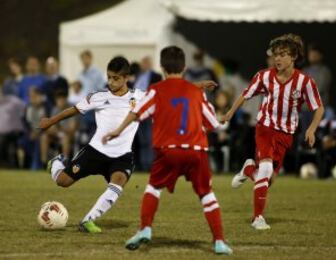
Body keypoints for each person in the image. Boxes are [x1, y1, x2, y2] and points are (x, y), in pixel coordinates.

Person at [102, 46, 232, 255]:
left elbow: (137, 112)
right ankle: (219, 242)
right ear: (185, 67)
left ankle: (145, 229)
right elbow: (212, 123)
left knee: (153, 188)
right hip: (195, 150)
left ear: (161, 67)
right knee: (207, 195)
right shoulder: (196, 92)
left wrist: (118, 130)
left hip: (167, 150)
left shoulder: (156, 90)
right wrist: (221, 119)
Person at [222, 34, 324, 230]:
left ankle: (248, 169)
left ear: (293, 57)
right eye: (276, 54)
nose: (278, 58)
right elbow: (245, 94)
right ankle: (257, 218)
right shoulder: (264, 76)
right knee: (267, 170)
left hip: (285, 134)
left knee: (267, 179)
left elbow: (318, 108)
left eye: (283, 54)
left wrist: (311, 129)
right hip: (265, 128)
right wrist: (229, 113)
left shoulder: (305, 82)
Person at [38, 56, 145, 233]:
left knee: (118, 183)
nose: (111, 81)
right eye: (109, 77)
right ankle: (57, 162)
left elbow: (168, 93)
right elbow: (74, 110)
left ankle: (88, 220)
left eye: (116, 78)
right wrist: (51, 121)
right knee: (63, 182)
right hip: (95, 151)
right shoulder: (99, 97)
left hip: (122, 155)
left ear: (126, 78)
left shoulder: (139, 96)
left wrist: (196, 87)